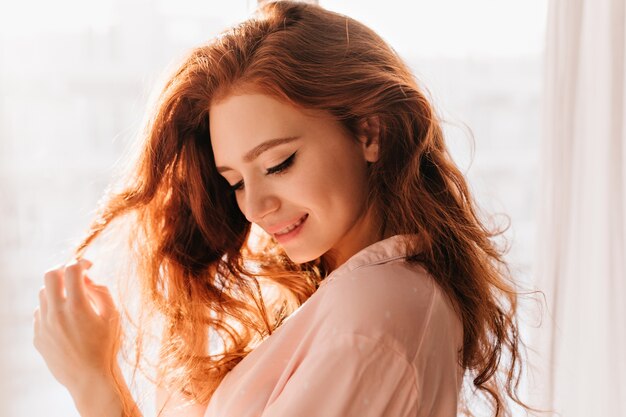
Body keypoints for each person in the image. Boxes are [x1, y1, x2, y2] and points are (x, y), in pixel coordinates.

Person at [32, 1, 534, 416]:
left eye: (278, 163)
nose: (255, 206)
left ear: (369, 132)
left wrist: (94, 384)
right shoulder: (362, 296)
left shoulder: (367, 320)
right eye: (234, 182)